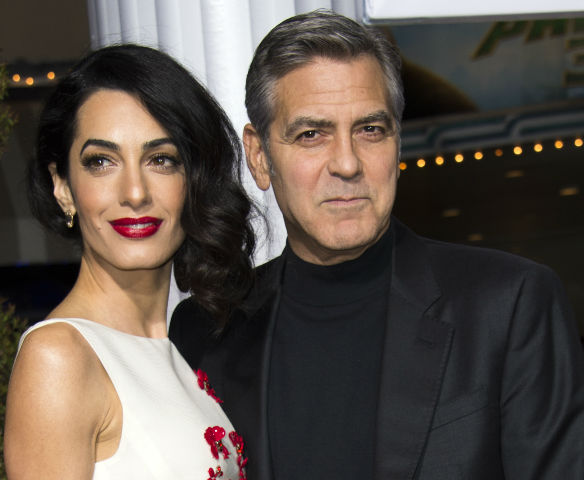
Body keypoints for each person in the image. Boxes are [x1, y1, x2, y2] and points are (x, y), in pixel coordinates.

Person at [169, 10, 584, 480]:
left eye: (370, 130)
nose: (347, 164)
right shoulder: (205, 331)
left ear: (397, 143)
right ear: (260, 156)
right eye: (311, 135)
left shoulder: (509, 305)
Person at [4, 45, 252, 479]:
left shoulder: (182, 345)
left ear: (193, 180)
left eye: (161, 160)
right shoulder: (59, 358)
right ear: (63, 187)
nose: (135, 192)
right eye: (101, 162)